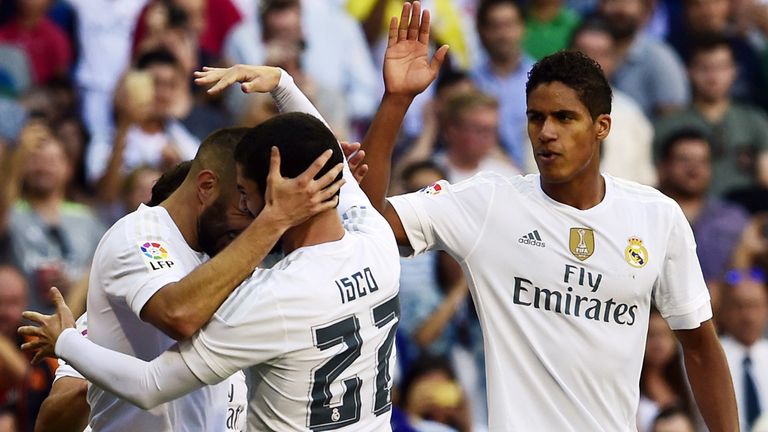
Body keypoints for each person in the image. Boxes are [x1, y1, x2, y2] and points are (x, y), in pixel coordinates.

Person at [19, 3, 446, 431]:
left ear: (280, 194)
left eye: (247, 194)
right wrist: (283, 83)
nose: (246, 209)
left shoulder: (269, 296)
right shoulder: (374, 238)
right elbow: (330, 162)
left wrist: (67, 342)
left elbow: (152, 380)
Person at [356, 48, 738, 430]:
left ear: (601, 126)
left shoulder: (657, 216)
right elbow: (370, 219)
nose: (547, 132)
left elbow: (701, 348)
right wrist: (396, 101)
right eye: (535, 118)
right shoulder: (489, 204)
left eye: (564, 117)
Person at [718, 268, 768, 432]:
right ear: (723, 310)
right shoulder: (711, 355)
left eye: (754, 306)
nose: (748, 317)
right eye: (739, 306)